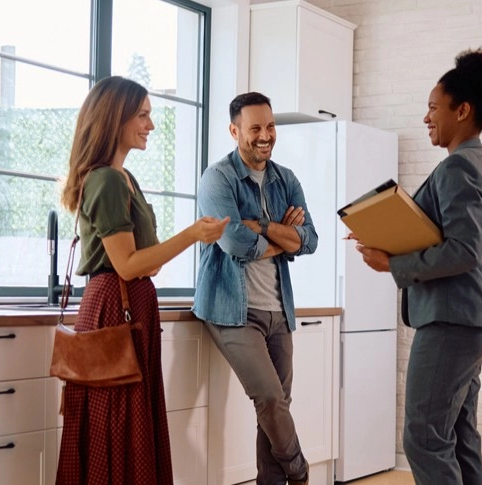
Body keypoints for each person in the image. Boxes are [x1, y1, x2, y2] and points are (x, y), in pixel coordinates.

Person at [56, 76, 229, 484]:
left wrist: (171, 246)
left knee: (122, 420)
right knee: (120, 421)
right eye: (143, 115)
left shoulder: (124, 178)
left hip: (128, 304)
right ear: (115, 119)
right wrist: (192, 235)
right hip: (116, 308)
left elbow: (146, 264)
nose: (151, 125)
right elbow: (129, 265)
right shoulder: (108, 180)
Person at [353, 49, 482, 485]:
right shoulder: (481, 165)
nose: (426, 117)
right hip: (475, 317)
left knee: (422, 435)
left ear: (463, 110)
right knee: (458, 433)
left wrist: (393, 263)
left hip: (453, 319)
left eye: (433, 107)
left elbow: (463, 250)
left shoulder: (459, 167)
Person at [192, 91, 317, 485]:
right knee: (269, 398)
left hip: (279, 308)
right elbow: (234, 244)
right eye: (255, 128)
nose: (265, 135)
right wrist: (285, 236)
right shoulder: (218, 178)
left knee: (275, 408)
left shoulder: (286, 178)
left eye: (270, 126)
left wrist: (261, 225)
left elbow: (310, 240)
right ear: (234, 131)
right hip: (231, 309)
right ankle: (299, 471)